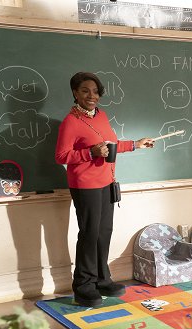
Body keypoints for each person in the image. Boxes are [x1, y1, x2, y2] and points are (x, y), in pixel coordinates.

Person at [55, 72, 154, 307]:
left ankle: (101, 279)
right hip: (85, 185)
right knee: (89, 234)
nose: (92, 96)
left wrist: (135, 144)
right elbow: (61, 156)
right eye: (85, 91)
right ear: (75, 93)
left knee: (104, 232)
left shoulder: (101, 115)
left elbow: (108, 146)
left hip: (106, 182)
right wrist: (89, 153)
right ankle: (83, 286)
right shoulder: (71, 122)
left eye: (96, 91)